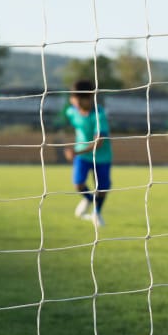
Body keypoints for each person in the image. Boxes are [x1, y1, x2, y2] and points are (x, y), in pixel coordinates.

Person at [64, 79, 112, 227]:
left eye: (80, 100)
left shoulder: (99, 114)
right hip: (83, 156)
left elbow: (99, 142)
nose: (76, 103)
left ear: (90, 98)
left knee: (102, 188)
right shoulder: (71, 111)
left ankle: (96, 213)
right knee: (78, 184)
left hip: (101, 156)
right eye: (74, 99)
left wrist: (76, 151)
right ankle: (89, 200)